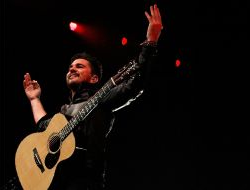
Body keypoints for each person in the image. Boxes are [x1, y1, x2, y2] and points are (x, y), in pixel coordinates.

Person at [22, 4, 163, 190]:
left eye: (79, 66)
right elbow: (43, 125)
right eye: (70, 66)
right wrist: (34, 99)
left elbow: (134, 86)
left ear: (94, 78)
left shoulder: (101, 99)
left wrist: (150, 42)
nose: (72, 68)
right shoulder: (63, 111)